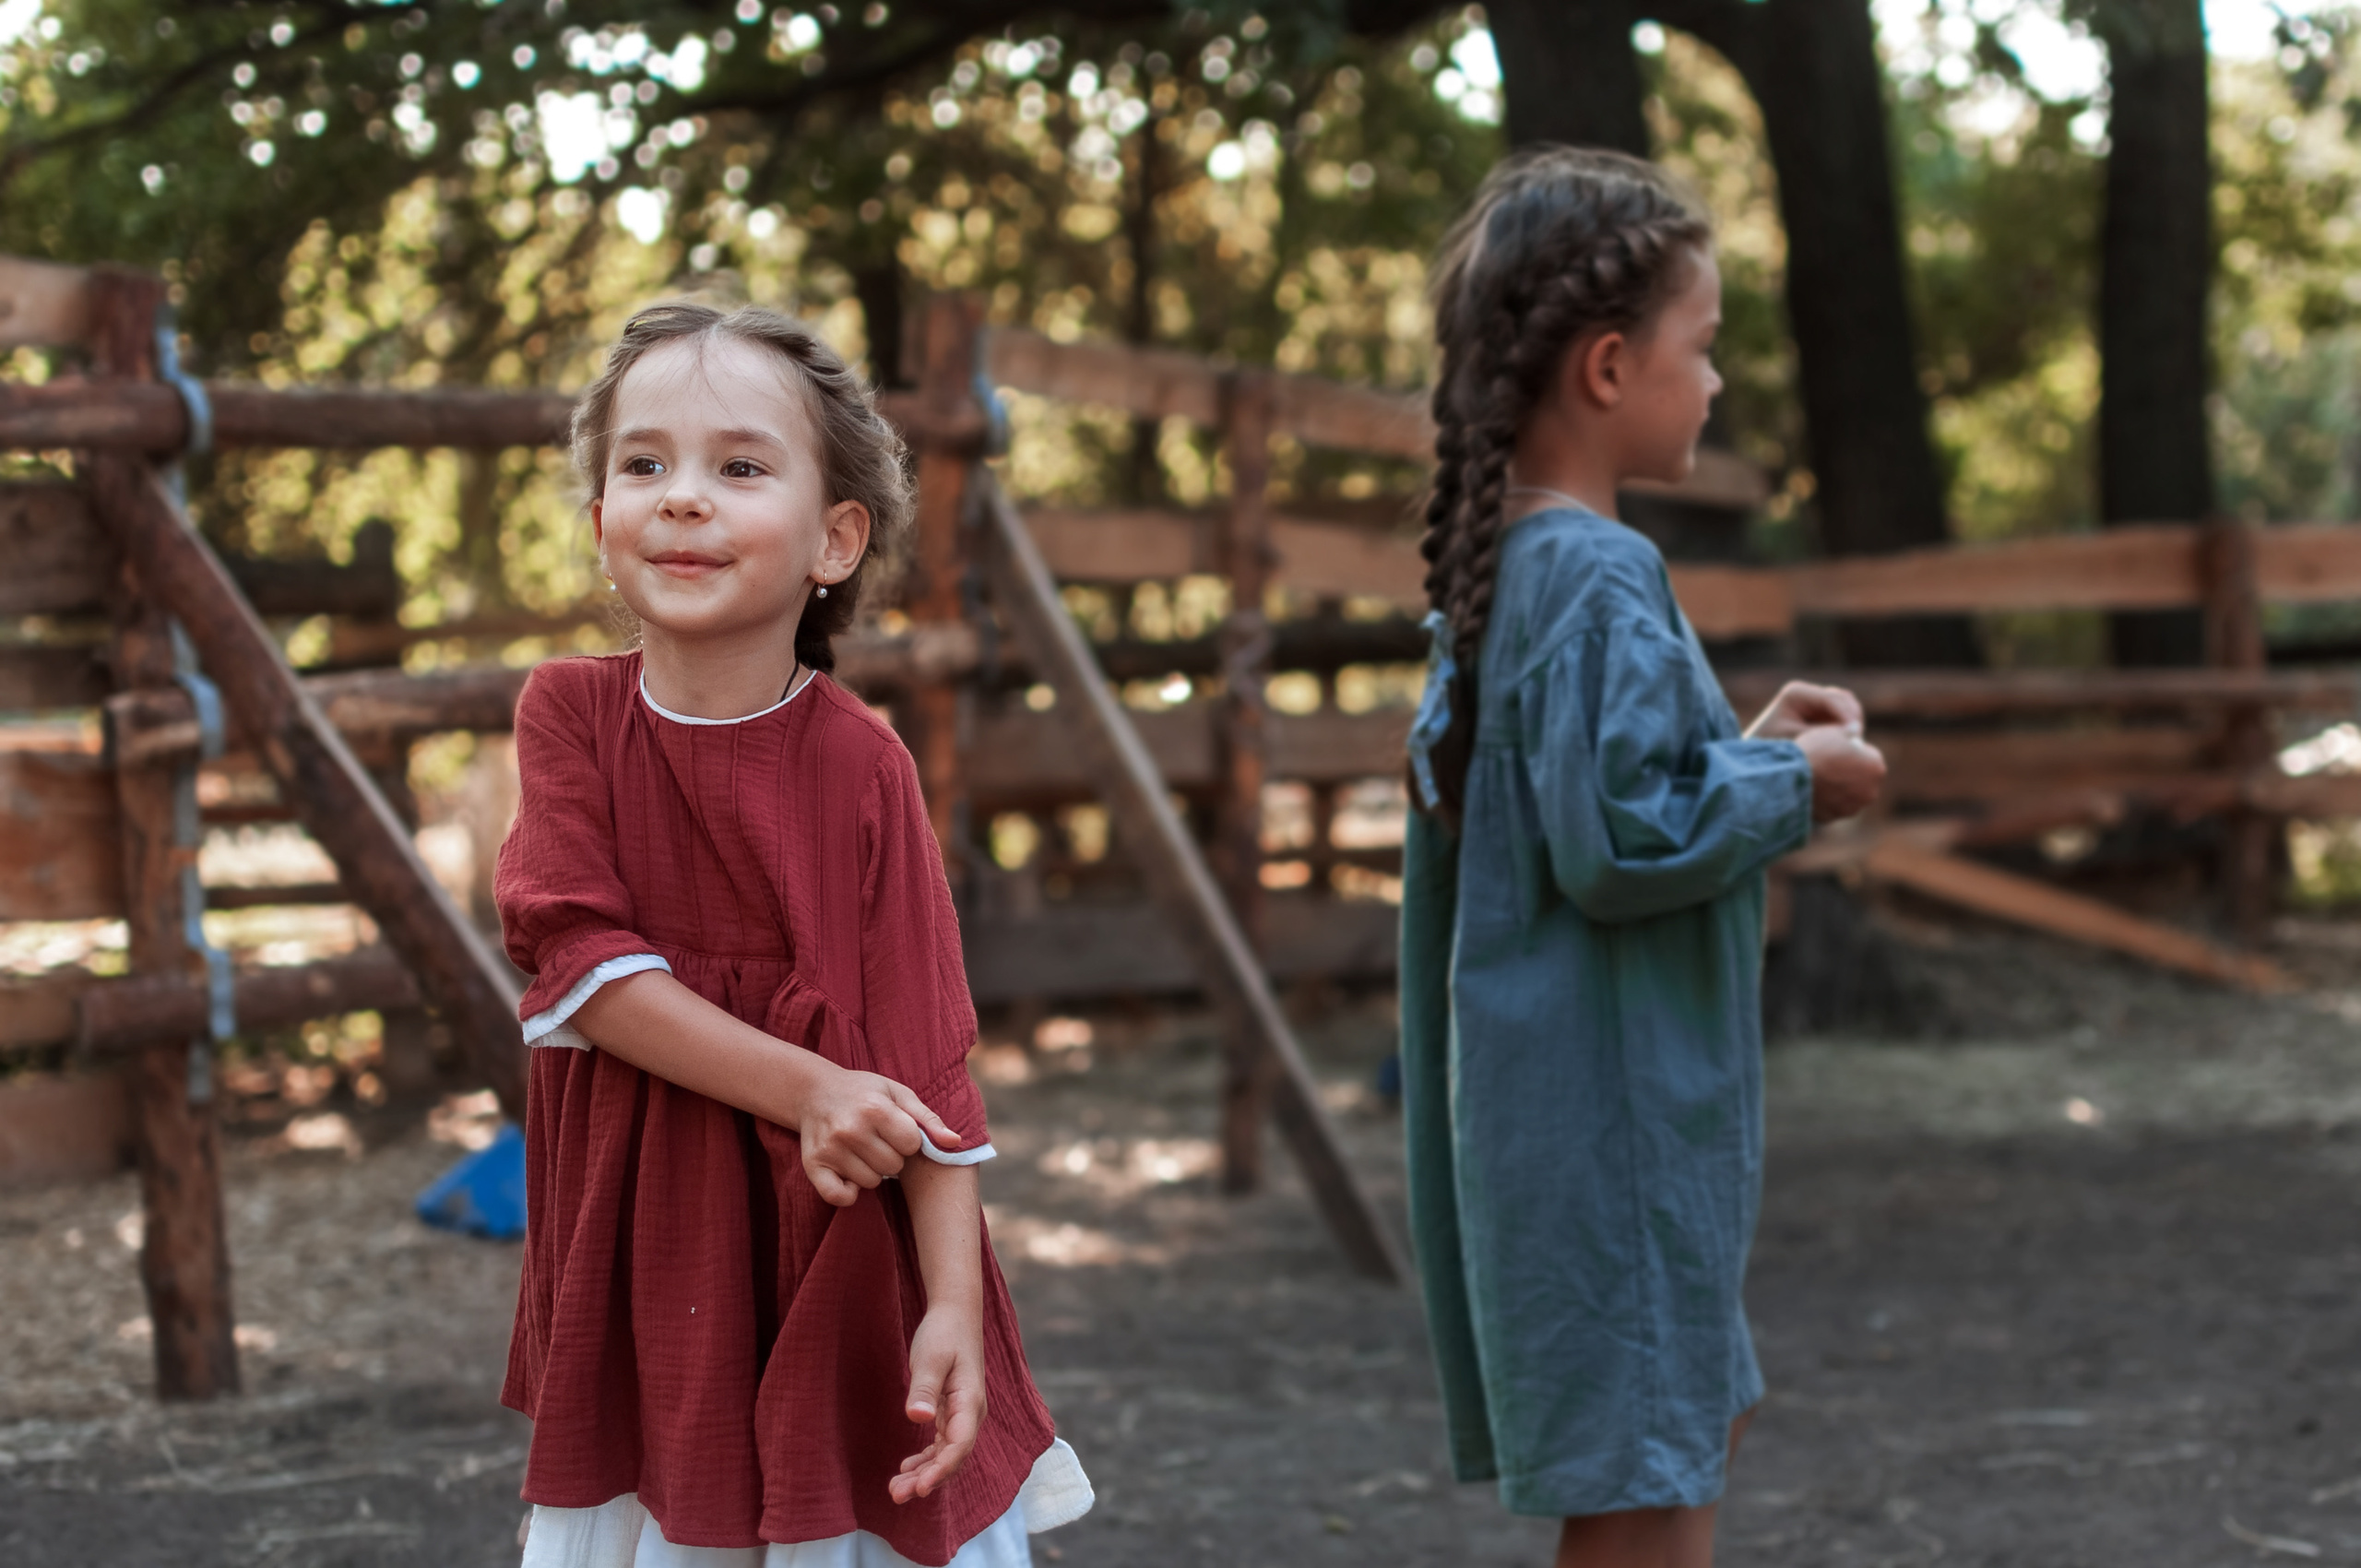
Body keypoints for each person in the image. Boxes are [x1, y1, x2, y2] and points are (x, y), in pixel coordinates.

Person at [494, 303, 1091, 1568]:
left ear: (835, 540)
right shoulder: (569, 721)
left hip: (836, 1268)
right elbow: (585, 969)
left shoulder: (862, 768)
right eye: (643, 465)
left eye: (739, 466)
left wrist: (952, 1308)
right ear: (600, 522)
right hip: (657, 1274)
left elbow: (927, 1068)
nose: (683, 499)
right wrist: (814, 1086)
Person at [1398, 148, 1887, 1568]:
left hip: (1568, 1114)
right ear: (1608, 368)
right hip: (1616, 1120)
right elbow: (1621, 843)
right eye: (1705, 346)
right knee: (1648, 1465)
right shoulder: (1599, 573)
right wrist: (1793, 786)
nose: (1717, 382)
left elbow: (1585, 808)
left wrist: (1745, 748)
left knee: (1682, 1432)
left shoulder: (1521, 568)